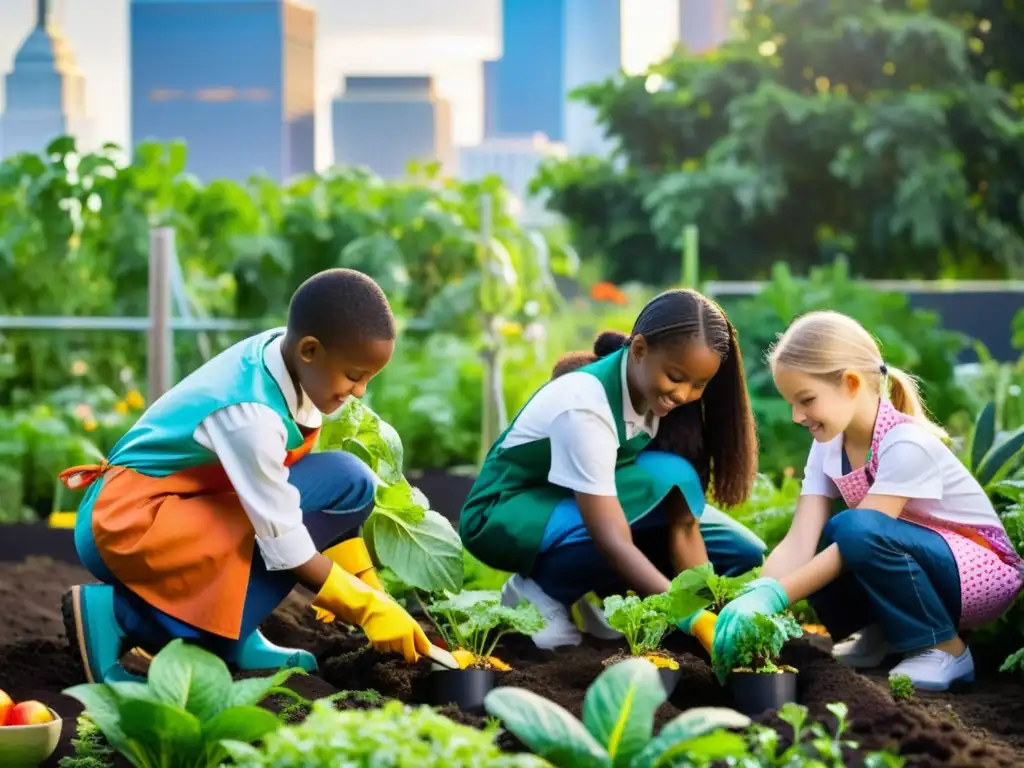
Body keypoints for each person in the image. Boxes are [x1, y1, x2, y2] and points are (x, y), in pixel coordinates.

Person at [60, 269, 431, 684]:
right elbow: (285, 544)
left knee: (348, 481)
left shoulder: (291, 357)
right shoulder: (249, 416)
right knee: (284, 529)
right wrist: (366, 608)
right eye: (354, 376)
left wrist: (368, 584)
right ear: (310, 350)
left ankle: (230, 634)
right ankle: (119, 618)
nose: (360, 391)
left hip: (185, 504)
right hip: (129, 522)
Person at [713, 310, 1024, 691]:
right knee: (833, 534)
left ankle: (947, 648)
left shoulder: (906, 443)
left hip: (980, 574)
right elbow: (800, 541)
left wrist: (777, 596)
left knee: (851, 530)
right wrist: (755, 594)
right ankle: (885, 634)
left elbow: (861, 539)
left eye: (806, 399)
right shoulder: (828, 447)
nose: (797, 416)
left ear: (850, 383)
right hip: (919, 560)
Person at [459, 288, 766, 652]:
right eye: (676, 377)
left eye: (698, 385)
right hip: (507, 510)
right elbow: (612, 539)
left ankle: (613, 601)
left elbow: (683, 523)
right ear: (639, 350)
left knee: (738, 549)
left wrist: (705, 606)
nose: (684, 395)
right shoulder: (586, 407)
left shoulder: (653, 393)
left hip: (578, 499)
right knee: (650, 500)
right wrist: (690, 615)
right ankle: (538, 592)